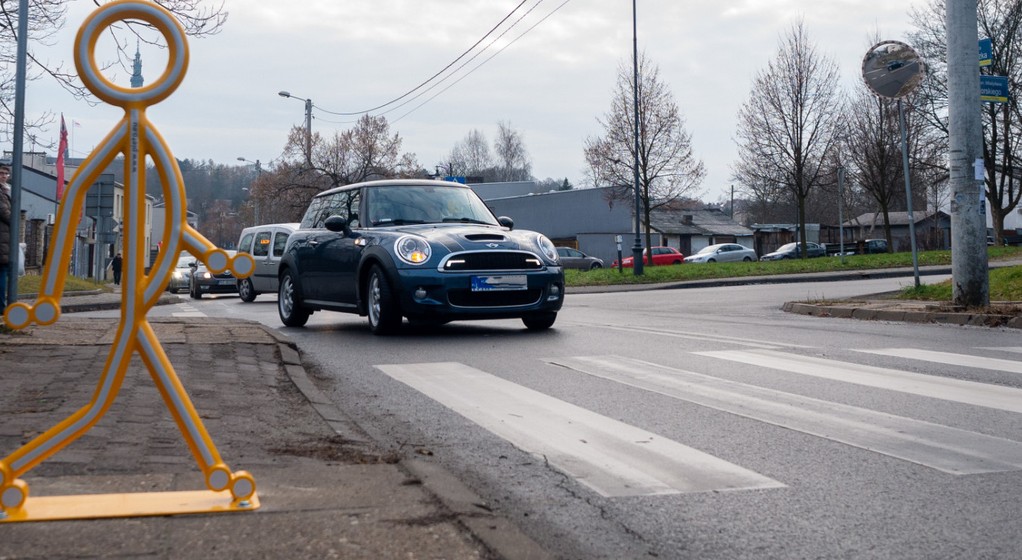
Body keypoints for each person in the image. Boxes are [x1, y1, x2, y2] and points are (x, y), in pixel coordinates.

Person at [0, 163, 12, 309]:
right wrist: (14, 221)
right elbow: (5, 213)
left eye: (5, 174)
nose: (3, 176)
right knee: (2, 271)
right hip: (2, 239)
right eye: (1, 173)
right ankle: (2, 306)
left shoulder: (6, 191)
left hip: (4, 239)